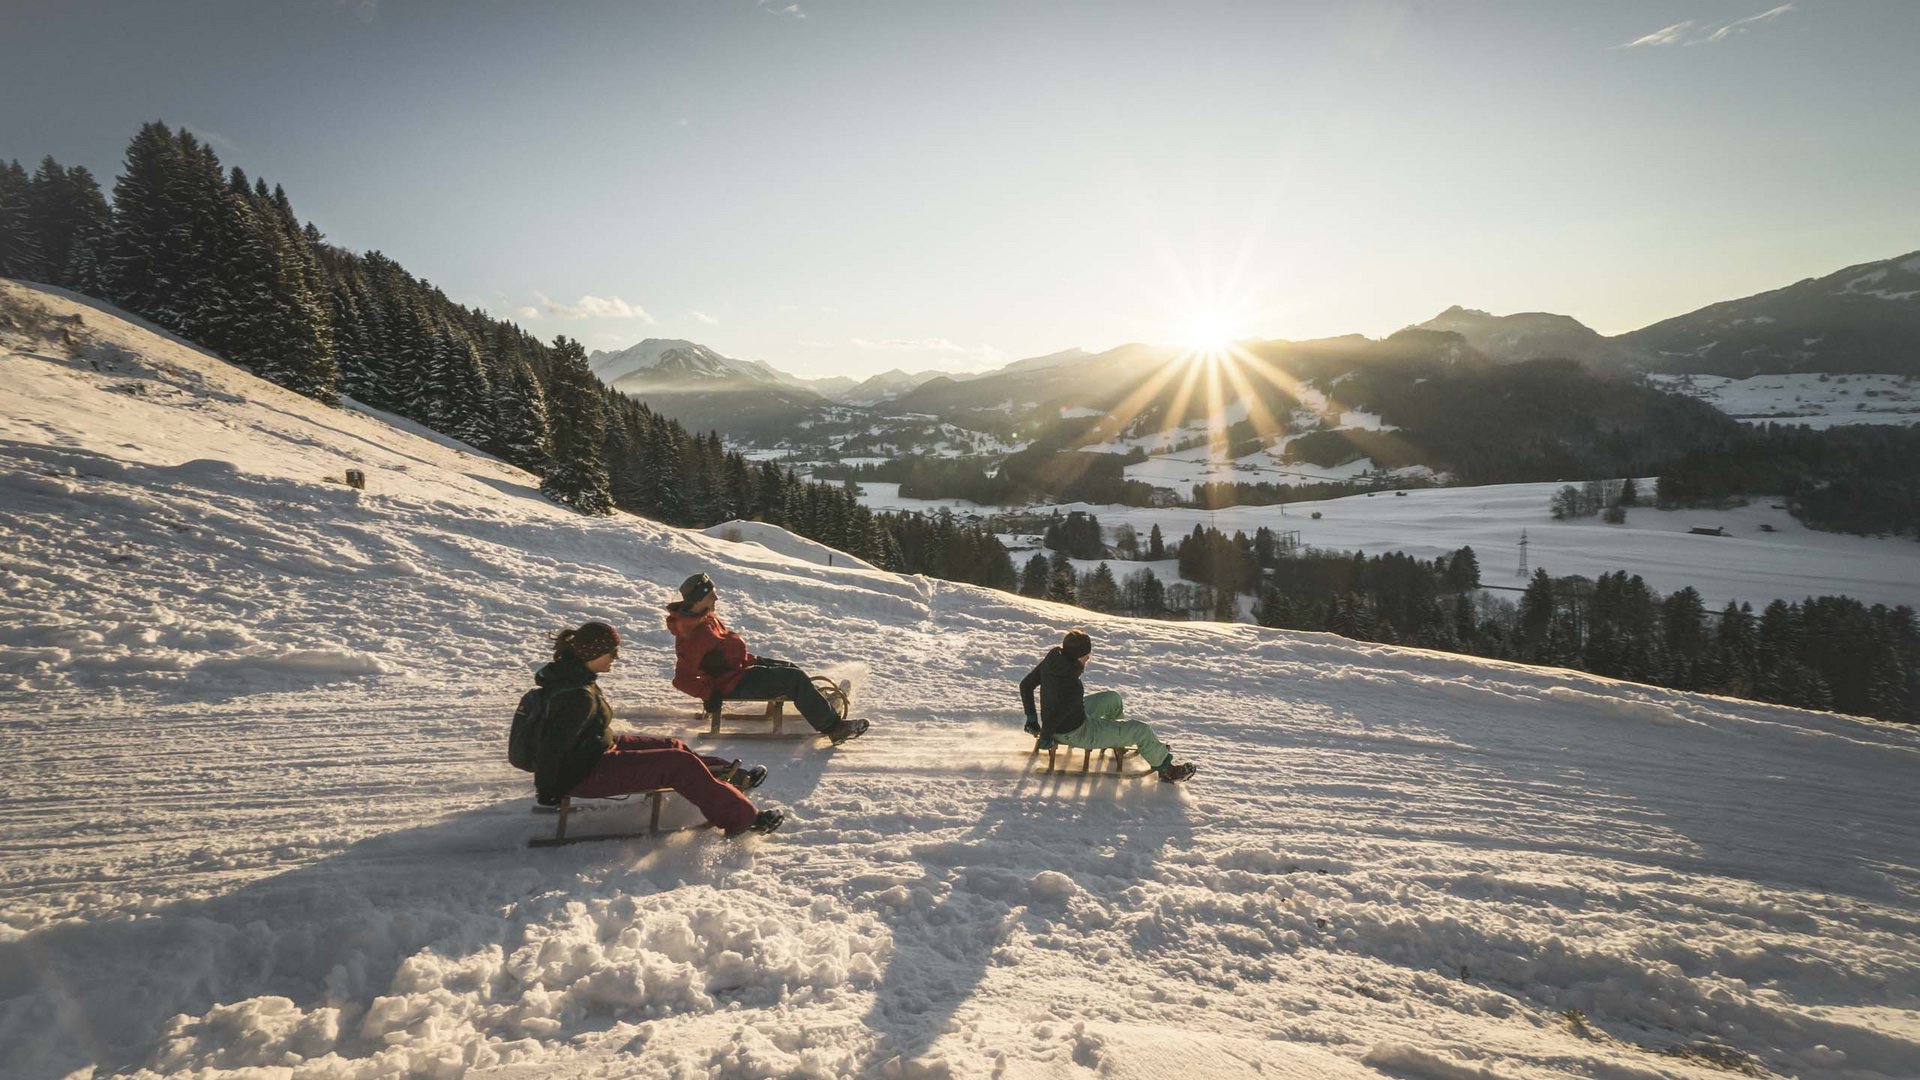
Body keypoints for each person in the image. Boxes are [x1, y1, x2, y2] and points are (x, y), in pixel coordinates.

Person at [532, 620, 784, 835]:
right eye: (611, 652)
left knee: (672, 746)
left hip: (594, 751)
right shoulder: (576, 696)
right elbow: (552, 746)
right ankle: (743, 819)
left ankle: (728, 776)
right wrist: (548, 791)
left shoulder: (575, 677)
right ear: (592, 653)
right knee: (676, 764)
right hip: (583, 774)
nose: (615, 658)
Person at [664, 573, 870, 743]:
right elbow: (682, 679)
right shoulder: (691, 634)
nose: (716, 599)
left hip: (740, 667)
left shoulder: (702, 615)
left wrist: (747, 658)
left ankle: (822, 704)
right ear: (699, 599)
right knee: (792, 680)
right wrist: (710, 695)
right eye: (712, 595)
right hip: (732, 682)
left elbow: (721, 649)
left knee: (791, 668)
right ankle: (833, 728)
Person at [1020, 628, 1195, 782]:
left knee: (1113, 699)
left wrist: (1032, 719)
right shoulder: (1073, 685)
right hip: (1075, 731)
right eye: (1086, 655)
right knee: (1141, 730)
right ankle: (1167, 771)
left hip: (1068, 717)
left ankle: (1119, 741)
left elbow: (1026, 685)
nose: (1088, 658)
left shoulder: (1053, 660)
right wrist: (1046, 735)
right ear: (1078, 656)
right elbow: (1058, 714)